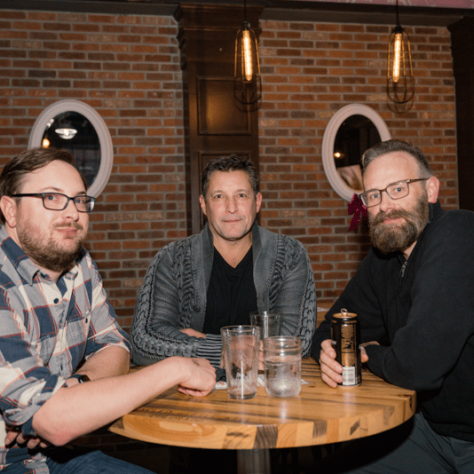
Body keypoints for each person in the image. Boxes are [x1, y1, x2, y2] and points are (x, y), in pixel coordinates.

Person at [0, 148, 216, 474]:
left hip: (56, 457)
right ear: (10, 210)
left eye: (79, 199)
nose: (72, 212)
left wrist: (70, 393)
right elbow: (55, 422)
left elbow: (115, 347)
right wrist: (175, 369)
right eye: (52, 198)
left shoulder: (79, 264)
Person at [311, 139, 474, 473]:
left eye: (398, 188)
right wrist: (326, 351)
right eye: (373, 195)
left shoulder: (459, 234)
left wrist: (368, 352)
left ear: (431, 190)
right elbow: (331, 328)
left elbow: (418, 366)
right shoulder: (384, 258)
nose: (384, 206)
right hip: (429, 433)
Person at [129, 154, 316, 368]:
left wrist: (199, 340)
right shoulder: (173, 259)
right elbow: (143, 343)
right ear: (203, 204)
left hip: (265, 393)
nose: (232, 207)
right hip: (188, 394)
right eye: (219, 196)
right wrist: (224, 350)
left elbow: (296, 343)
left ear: (257, 202)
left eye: (242, 195)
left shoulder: (290, 255)